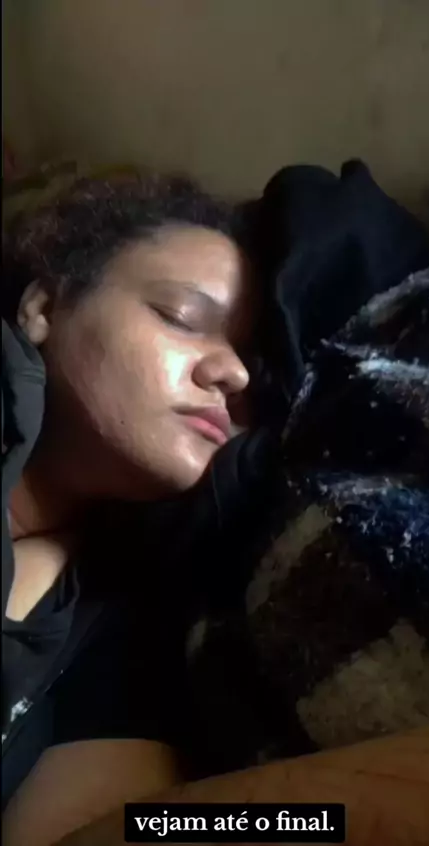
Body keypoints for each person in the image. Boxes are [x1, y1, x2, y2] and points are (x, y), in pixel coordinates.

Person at [2, 175, 255, 843]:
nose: (234, 373)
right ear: (43, 306)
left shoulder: (121, 624)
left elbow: (124, 829)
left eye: (249, 357)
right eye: (182, 318)